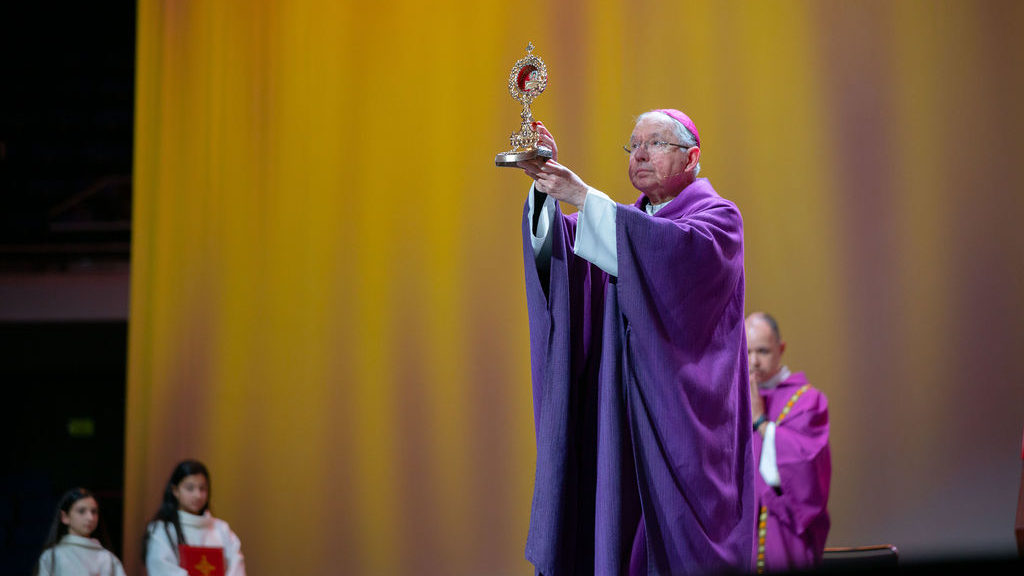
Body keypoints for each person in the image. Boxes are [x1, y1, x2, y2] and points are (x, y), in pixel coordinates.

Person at [515, 109, 754, 575]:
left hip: (679, 430)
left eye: (656, 143)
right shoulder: (622, 222)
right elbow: (570, 253)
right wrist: (546, 193)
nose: (640, 153)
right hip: (619, 422)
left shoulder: (718, 220)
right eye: (633, 145)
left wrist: (583, 197)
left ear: (692, 157)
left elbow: (673, 256)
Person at [746, 312, 831, 573]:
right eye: (746, 352)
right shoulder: (733, 401)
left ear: (780, 349)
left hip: (784, 533)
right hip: (741, 537)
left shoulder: (807, 401)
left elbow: (806, 470)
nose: (754, 362)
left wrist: (761, 422)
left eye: (762, 351)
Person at [143, 459, 246, 576]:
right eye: (190, 488)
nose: (197, 495)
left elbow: (236, 565)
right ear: (175, 490)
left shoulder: (221, 529)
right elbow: (162, 568)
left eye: (202, 489)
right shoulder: (162, 530)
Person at [34, 487, 127, 576]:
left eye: (94, 512)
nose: (90, 518)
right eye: (81, 511)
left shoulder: (107, 558)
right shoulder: (53, 555)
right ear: (65, 517)